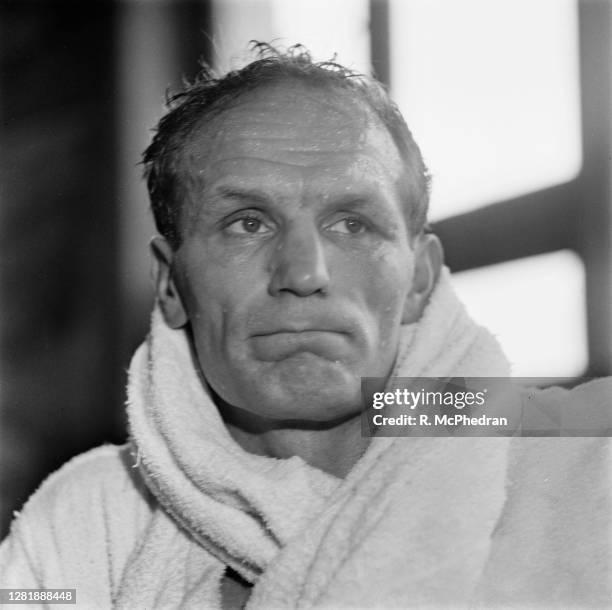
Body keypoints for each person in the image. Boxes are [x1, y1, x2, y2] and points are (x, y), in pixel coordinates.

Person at [1, 44, 610, 609]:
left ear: (420, 279)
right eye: (247, 223)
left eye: (352, 224)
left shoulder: (581, 470)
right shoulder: (84, 521)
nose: (303, 273)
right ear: (170, 283)